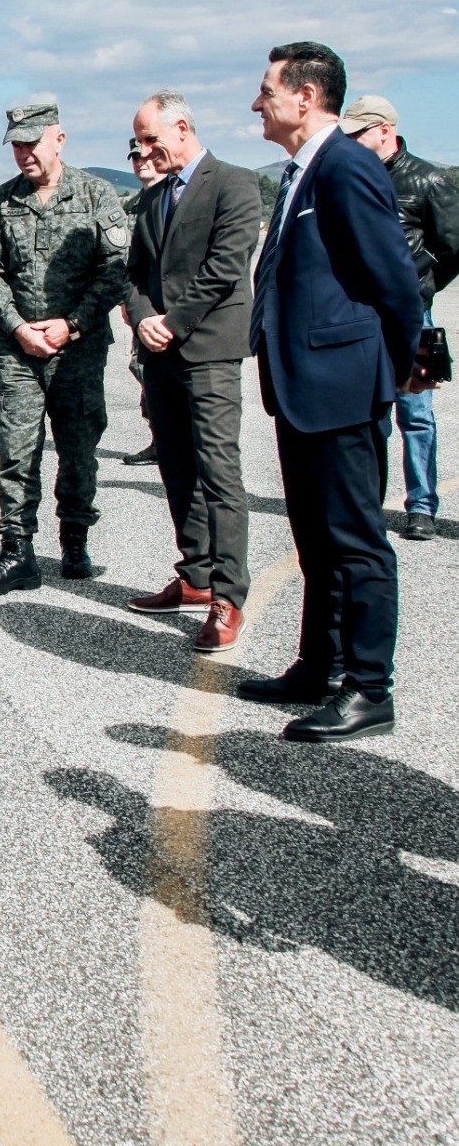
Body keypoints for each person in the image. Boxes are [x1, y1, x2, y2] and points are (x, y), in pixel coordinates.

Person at [237, 41, 425, 741]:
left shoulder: (345, 166)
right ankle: (319, 663)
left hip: (342, 384)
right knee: (315, 535)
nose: (259, 103)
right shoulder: (300, 173)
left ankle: (369, 686)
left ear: (306, 97)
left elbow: (395, 281)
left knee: (355, 539)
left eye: (267, 91)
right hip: (301, 385)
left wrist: (395, 369)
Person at [0, 102, 129, 596]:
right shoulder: (1, 200)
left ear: (58, 138)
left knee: (78, 450)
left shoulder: (96, 194)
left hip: (77, 349)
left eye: (32, 143)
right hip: (18, 349)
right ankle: (17, 551)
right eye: (16, 145)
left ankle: (75, 539)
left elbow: (116, 268)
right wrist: (17, 326)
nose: (24, 154)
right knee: (15, 452)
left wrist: (73, 324)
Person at [124, 89, 262, 651]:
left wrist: (171, 322)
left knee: (218, 472)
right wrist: (141, 320)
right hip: (160, 354)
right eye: (137, 142)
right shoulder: (153, 198)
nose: (143, 151)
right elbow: (132, 274)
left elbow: (226, 267)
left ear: (182, 127)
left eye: (151, 139)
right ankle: (197, 576)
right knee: (177, 467)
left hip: (207, 350)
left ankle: (228, 597)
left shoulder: (234, 183)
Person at [340, 94, 456, 543]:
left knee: (416, 411)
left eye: (359, 133)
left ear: (384, 130)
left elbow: (453, 245)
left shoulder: (428, 179)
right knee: (370, 410)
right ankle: (370, 501)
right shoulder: (353, 175)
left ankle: (422, 506)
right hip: (362, 310)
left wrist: (422, 285)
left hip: (410, 309)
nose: (351, 141)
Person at [119, 138, 166, 468]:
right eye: (135, 157)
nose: (141, 163)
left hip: (171, 307)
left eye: (148, 157)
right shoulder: (137, 203)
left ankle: (168, 437)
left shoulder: (173, 198)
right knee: (142, 367)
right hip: (142, 305)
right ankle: (158, 438)